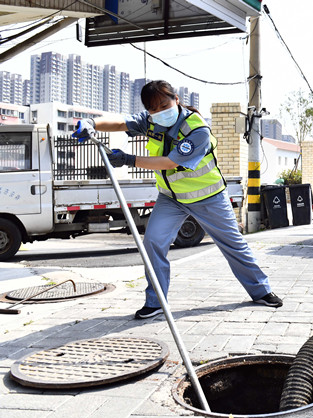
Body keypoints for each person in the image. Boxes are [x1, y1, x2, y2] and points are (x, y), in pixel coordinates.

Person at [72, 80, 282, 319]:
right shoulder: (151, 122)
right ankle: (156, 301)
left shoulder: (197, 129)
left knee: (233, 245)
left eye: (164, 104)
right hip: (171, 198)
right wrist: (91, 123)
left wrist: (130, 159)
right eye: (153, 109)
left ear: (177, 100)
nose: (160, 112)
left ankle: (261, 291)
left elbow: (170, 162)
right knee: (152, 242)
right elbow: (121, 122)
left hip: (209, 197)